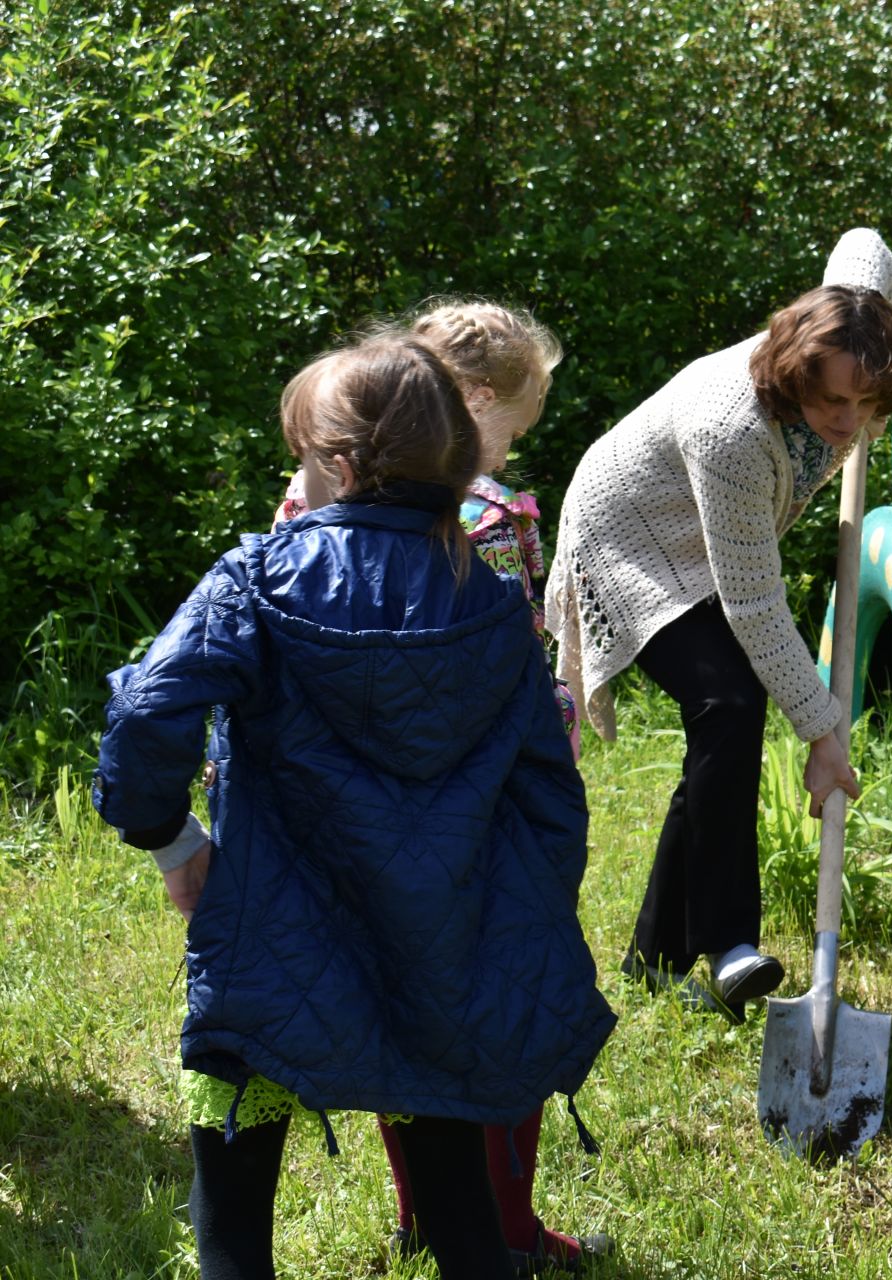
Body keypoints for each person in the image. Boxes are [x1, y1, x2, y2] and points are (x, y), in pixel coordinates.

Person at [93, 333, 616, 1280]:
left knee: (234, 1217)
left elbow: (143, 708)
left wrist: (172, 842)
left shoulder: (254, 580)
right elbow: (549, 791)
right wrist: (517, 908)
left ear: (337, 462)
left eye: (301, 455)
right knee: (460, 1199)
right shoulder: (491, 603)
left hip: (267, 938)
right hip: (443, 948)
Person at [272, 300, 601, 1270]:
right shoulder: (493, 520)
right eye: (505, 431)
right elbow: (517, 678)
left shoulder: (313, 504)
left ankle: (427, 1211)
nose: (502, 451)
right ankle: (503, 1226)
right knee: (506, 1017)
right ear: (470, 404)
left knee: (405, 1024)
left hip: (363, 816)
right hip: (486, 817)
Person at [547, 229, 892, 1012]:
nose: (850, 422)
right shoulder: (733, 428)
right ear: (794, 375)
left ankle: (653, 960)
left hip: (703, 532)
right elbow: (755, 606)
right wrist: (824, 734)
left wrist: (870, 267)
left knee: (725, 718)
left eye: (868, 404)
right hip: (627, 535)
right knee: (727, 702)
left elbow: (862, 253)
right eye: (832, 402)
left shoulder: (862, 352)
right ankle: (729, 946)